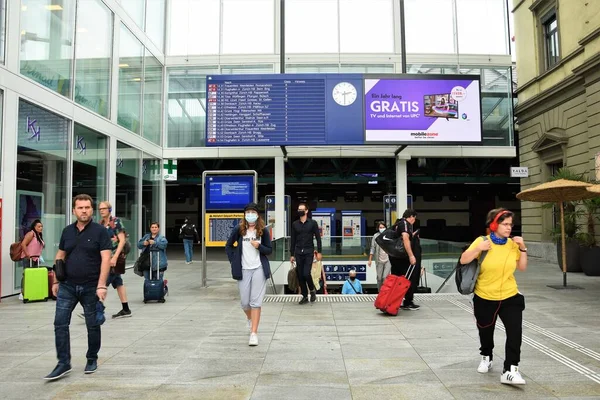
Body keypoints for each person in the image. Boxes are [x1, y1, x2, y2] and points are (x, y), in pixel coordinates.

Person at [44, 194, 111, 381]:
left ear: (92, 209)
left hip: (91, 286)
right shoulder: (67, 231)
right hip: (68, 286)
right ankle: (63, 363)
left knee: (92, 324)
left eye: (87, 207)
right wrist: (56, 280)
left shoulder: (100, 232)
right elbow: (60, 255)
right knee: (60, 323)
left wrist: (101, 285)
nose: (84, 210)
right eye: (80, 207)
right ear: (74, 210)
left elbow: (106, 259)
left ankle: (92, 358)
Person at [460, 208, 528, 385]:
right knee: (485, 330)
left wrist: (523, 248)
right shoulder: (482, 241)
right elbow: (463, 260)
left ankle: (510, 370)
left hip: (510, 296)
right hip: (484, 296)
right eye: (505, 224)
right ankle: (486, 356)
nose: (508, 228)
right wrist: (478, 250)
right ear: (494, 224)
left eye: (510, 225)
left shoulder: (513, 245)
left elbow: (522, 267)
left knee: (515, 333)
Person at [225, 203, 272, 346]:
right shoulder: (239, 230)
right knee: (245, 303)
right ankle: (250, 319)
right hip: (244, 269)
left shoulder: (263, 231)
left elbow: (269, 250)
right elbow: (228, 245)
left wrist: (259, 246)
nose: (250, 214)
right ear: (245, 215)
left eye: (253, 212)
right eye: (248, 212)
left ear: (257, 215)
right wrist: (234, 260)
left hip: (259, 269)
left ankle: (254, 333)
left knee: (255, 302)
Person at [98, 201, 131, 319]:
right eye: (100, 209)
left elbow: (122, 240)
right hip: (105, 257)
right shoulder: (101, 223)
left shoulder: (116, 222)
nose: (101, 210)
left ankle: (97, 308)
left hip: (113, 258)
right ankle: (126, 309)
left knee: (103, 282)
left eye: (104, 208)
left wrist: (115, 257)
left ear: (109, 210)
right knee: (118, 282)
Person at [290, 203, 322, 304]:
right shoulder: (295, 224)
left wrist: (319, 252)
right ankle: (304, 296)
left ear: (306, 211)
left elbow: (318, 238)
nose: (300, 211)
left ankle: (312, 290)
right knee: (300, 275)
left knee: (306, 273)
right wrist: (292, 254)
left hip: (309, 251)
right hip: (298, 252)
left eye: (302, 209)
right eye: (299, 209)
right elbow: (293, 240)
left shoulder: (313, 223)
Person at [389, 209, 420, 310]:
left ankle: (393, 302)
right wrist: (411, 255)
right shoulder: (405, 224)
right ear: (411, 216)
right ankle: (408, 302)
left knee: (397, 279)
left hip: (395, 258)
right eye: (414, 219)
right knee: (408, 279)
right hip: (402, 258)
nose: (414, 221)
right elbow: (405, 238)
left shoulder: (397, 223)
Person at [19, 219, 46, 300]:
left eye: (41, 226)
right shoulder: (31, 234)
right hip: (28, 258)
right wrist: (27, 255)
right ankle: (22, 292)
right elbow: (23, 244)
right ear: (34, 227)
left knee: (34, 275)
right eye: (39, 226)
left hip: (35, 259)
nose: (41, 228)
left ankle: (32, 291)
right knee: (26, 275)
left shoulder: (39, 235)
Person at [368, 221, 391, 290]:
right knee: (379, 277)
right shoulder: (375, 236)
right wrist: (370, 259)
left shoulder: (389, 235)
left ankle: (385, 292)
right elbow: (372, 247)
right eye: (380, 227)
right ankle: (379, 291)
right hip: (379, 260)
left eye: (383, 227)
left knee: (385, 277)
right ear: (378, 228)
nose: (382, 228)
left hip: (388, 260)